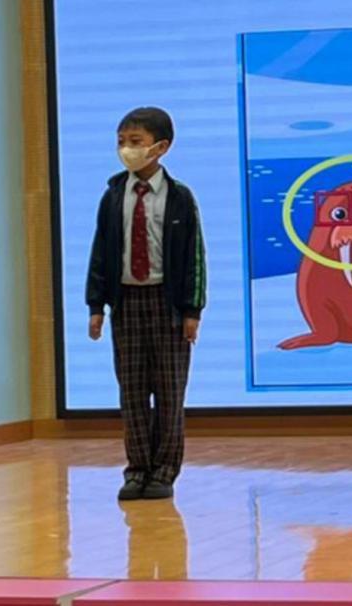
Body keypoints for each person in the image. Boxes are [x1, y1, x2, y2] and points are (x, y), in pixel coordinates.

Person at [87, 107, 206, 501]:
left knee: (169, 391)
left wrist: (192, 310)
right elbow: (100, 253)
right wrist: (96, 306)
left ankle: (164, 470)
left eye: (135, 142)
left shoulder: (179, 197)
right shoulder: (113, 195)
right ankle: (136, 469)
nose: (127, 149)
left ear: (161, 147)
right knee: (132, 391)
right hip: (127, 303)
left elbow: (194, 257)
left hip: (167, 304)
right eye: (121, 142)